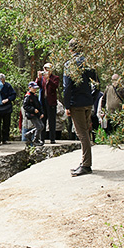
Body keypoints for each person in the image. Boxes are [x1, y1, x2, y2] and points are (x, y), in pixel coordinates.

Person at [63, 38, 99, 177]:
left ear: (70, 49)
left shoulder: (70, 64)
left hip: (76, 103)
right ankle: (84, 161)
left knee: (82, 134)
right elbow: (97, 82)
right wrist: (92, 97)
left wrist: (67, 105)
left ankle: (86, 165)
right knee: (85, 132)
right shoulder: (87, 63)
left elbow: (67, 87)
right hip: (87, 102)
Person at [35, 63, 60, 144]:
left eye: (47, 69)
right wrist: (39, 78)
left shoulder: (55, 78)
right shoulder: (42, 78)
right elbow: (37, 85)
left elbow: (55, 86)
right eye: (45, 69)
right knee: (43, 120)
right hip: (43, 101)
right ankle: (42, 138)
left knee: (52, 120)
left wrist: (49, 79)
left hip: (51, 101)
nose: (46, 71)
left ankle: (52, 138)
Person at [23, 81, 45, 146]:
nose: (35, 89)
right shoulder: (28, 96)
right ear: (29, 88)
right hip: (31, 114)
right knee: (39, 126)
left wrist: (41, 113)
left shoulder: (35, 96)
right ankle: (36, 140)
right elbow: (25, 106)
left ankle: (29, 133)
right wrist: (33, 109)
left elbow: (38, 105)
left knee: (42, 126)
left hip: (36, 114)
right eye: (33, 88)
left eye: (35, 88)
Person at [0, 73, 16, 145]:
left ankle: (5, 139)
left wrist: (7, 99)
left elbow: (13, 95)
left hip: (7, 107)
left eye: (1, 80)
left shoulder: (8, 86)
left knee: (6, 124)